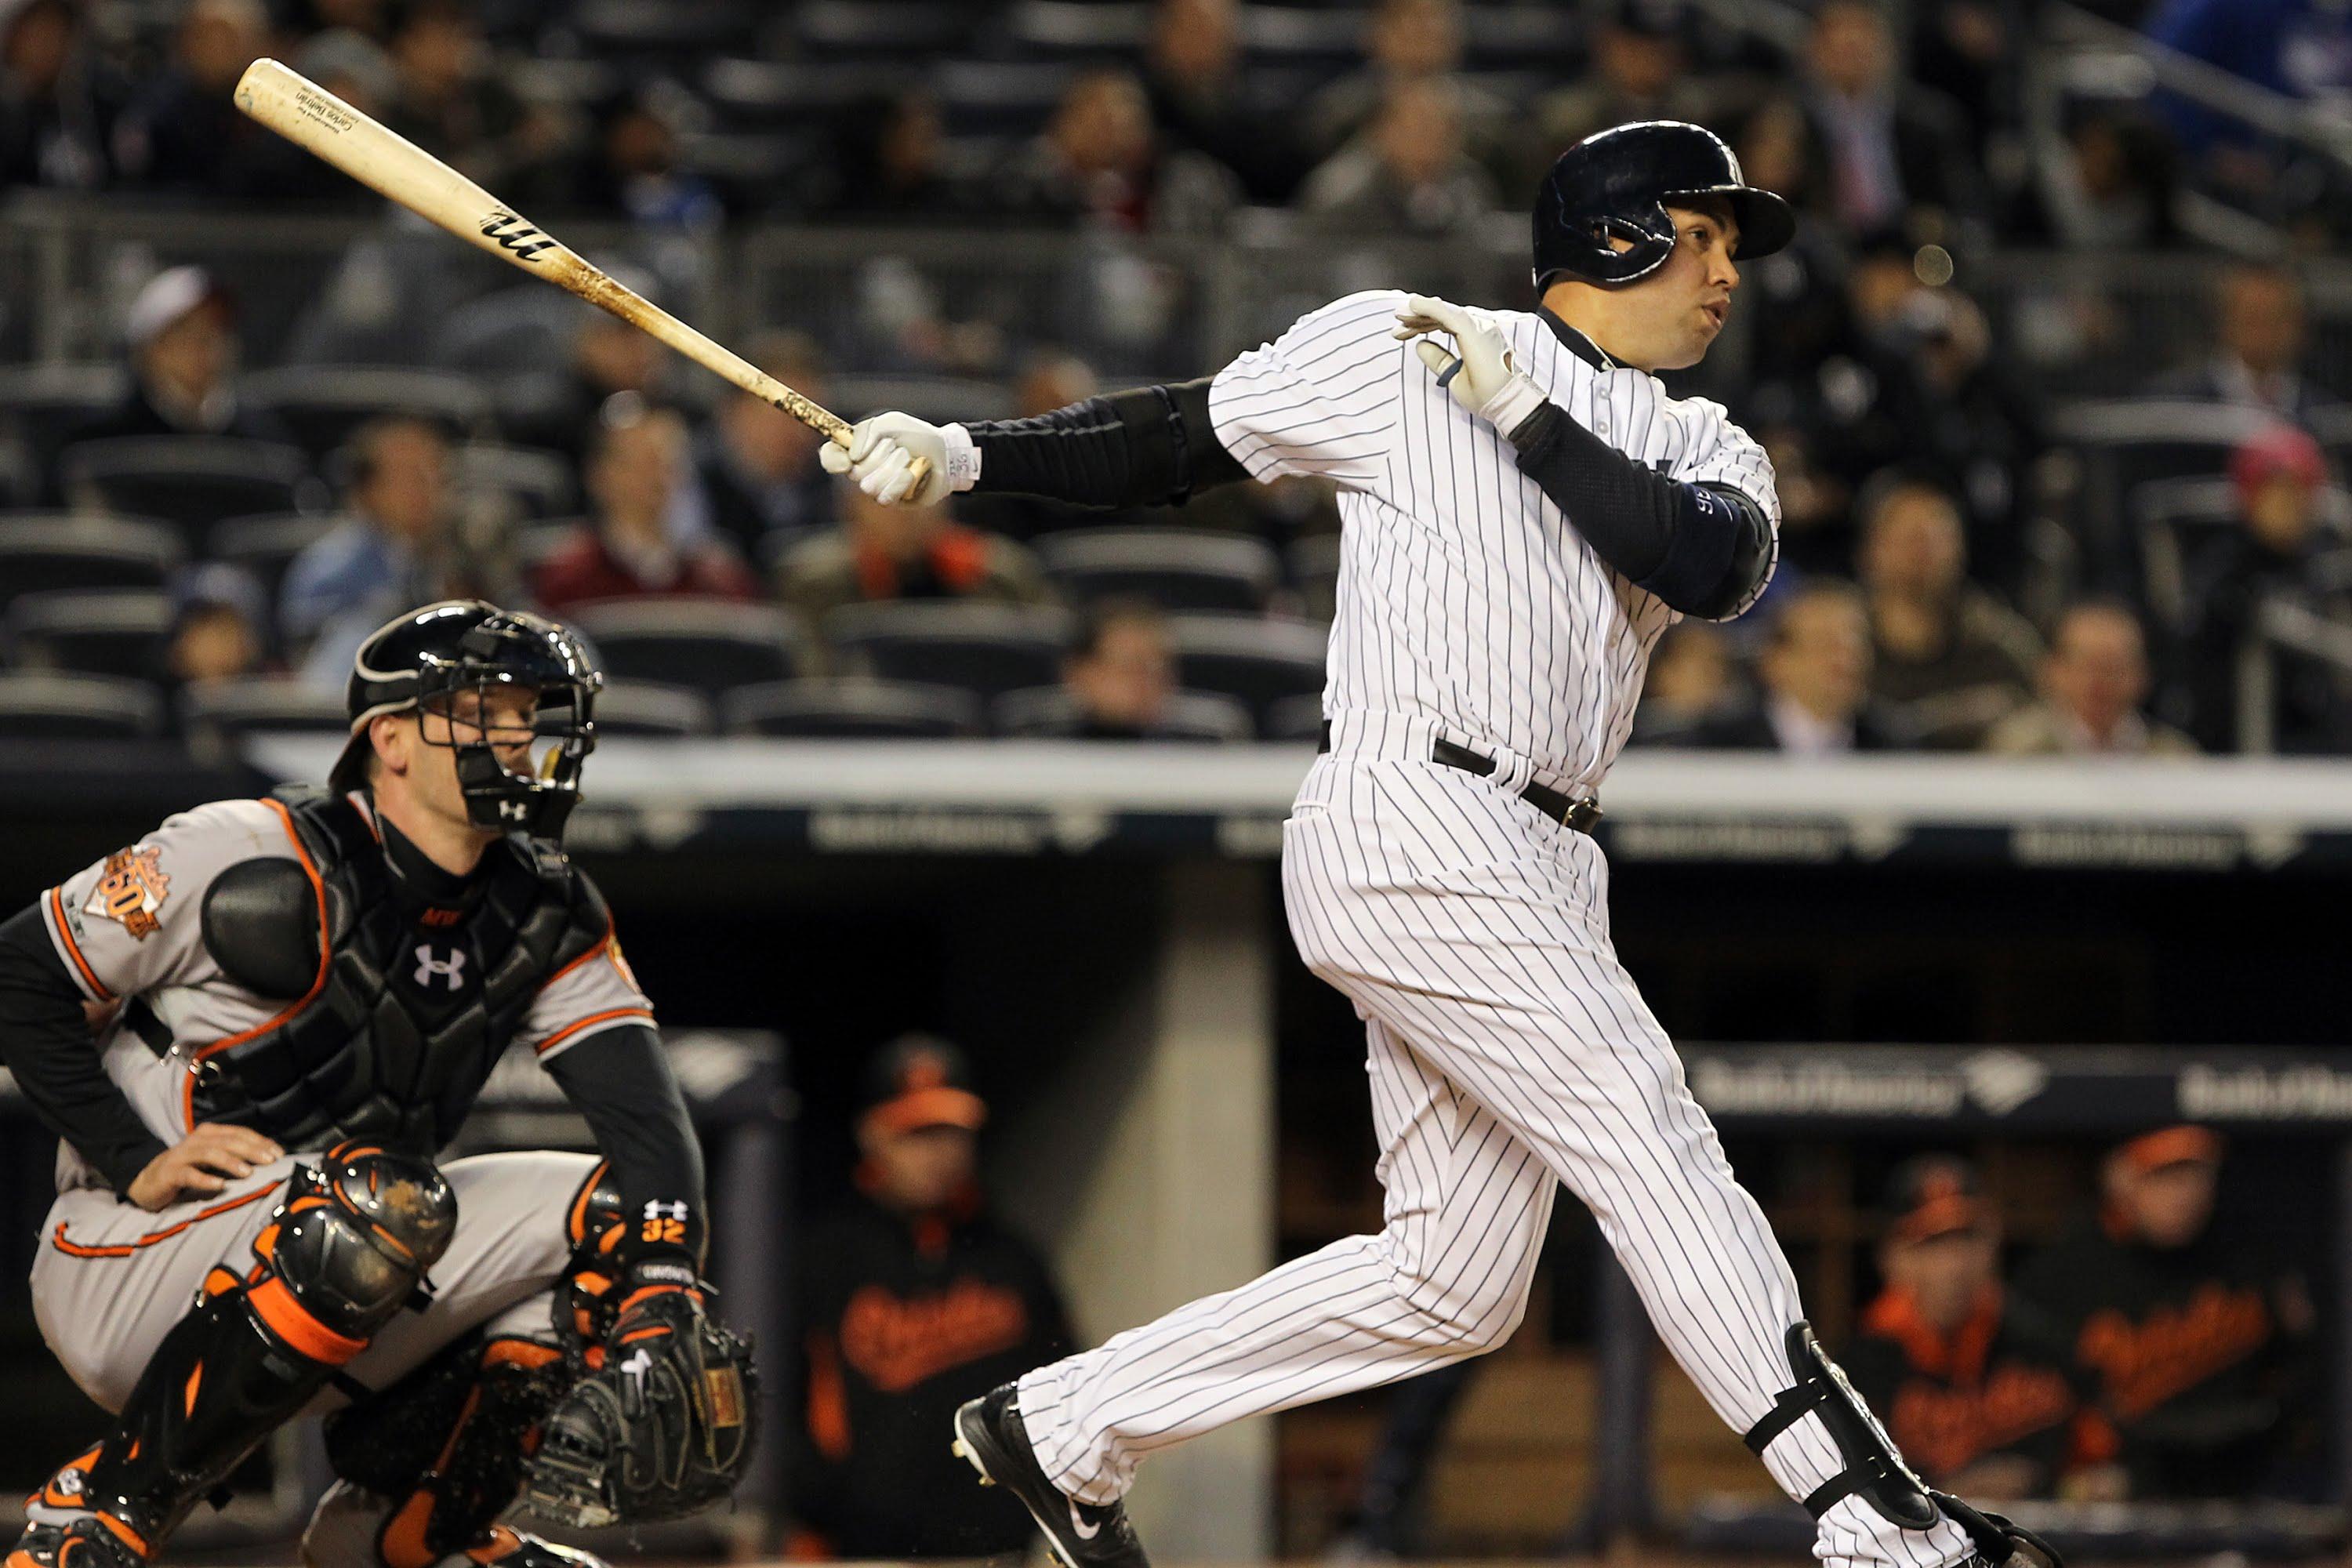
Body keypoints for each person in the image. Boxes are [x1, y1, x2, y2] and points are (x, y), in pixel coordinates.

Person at [815, 120, 2056, 1568]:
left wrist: (1528, 418)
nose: (1728, 273)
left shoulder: (1711, 440)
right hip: (1417, 808)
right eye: (1705, 234)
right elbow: (1177, 435)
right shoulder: (1405, 347)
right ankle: (1868, 1518)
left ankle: (1070, 1422)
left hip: (1546, 853)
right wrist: (965, 454)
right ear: (1617, 235)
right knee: (1646, 1132)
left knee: (1455, 1282)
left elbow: (1706, 564)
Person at [0, 601, 751, 1568]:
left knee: (621, 1219)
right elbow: (22, 967)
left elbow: (647, 1123)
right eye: (485, 710)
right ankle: (103, 1508)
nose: (518, 738)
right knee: (381, 1199)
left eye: (528, 713)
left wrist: (663, 1292)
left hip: (350, 1270)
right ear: (390, 738)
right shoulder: (245, 843)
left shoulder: (545, 906)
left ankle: (397, 1534)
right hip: (129, 1254)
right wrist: (133, 1156)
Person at [793, 1037, 1073, 1559]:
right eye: (916, 1134)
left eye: (951, 1132)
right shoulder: (827, 1258)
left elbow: (1068, 1389)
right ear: (872, 1134)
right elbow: (783, 1402)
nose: (938, 1152)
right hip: (865, 1552)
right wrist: (819, 1509)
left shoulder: (1012, 1259)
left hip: (999, 1550)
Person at [2016, 1128, 2314, 1501]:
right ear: (2119, 1181)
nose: (2186, 1194)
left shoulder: (2248, 1257)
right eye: (2165, 1176)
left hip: (2241, 1482)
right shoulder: (2063, 1274)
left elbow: (2298, 1372)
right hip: (2117, 1488)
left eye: (2198, 1175)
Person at [1840, 1158, 2082, 1501]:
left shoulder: (2041, 1344)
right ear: (1893, 1259)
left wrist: (2048, 1483)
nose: (1954, 1264)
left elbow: (2095, 1470)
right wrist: (1945, 1491)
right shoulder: (1859, 1366)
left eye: (1967, 1238)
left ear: (1992, 1245)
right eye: (1932, 1244)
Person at [2180, 424, 2351, 753]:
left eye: (2298, 493)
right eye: (2275, 494)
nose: (2288, 508)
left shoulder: (2328, 569)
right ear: (2248, 497)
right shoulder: (2222, 574)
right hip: (2241, 741)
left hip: (2321, 742)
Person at [1856, 477, 2041, 748]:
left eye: (1936, 540)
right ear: (1872, 549)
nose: (1921, 554)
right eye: (1910, 539)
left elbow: (2039, 711)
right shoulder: (1837, 638)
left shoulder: (1996, 642)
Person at [530, 400, 758, 615]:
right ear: (599, 476)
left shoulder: (718, 579)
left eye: (669, 464)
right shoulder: (568, 579)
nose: (658, 478)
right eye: (642, 464)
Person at [280, 415, 460, 670]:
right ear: (369, 489)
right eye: (411, 476)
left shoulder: (462, 557)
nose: (427, 489)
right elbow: (318, 666)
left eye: (435, 473)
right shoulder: (328, 569)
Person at [1799, 0, 1987, 245]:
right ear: (1813, 51)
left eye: (1862, 35)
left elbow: (1966, 209)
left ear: (1886, 48)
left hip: (1911, 251)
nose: (1851, 44)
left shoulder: (1929, 122)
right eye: (1838, 40)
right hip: (1828, 252)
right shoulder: (1791, 125)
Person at [67, 267, 290, 457]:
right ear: (151, 348)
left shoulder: (260, 435)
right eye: (190, 334)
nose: (208, 348)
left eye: (217, 332)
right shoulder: (105, 435)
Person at [777, 479, 1051, 626]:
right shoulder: (813, 585)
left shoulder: (1002, 576)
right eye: (885, 498)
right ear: (851, 507)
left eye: (920, 494)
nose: (906, 513)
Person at [1690, 580, 1907, 752]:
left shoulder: (1890, 745)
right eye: (1826, 645)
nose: (1846, 661)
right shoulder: (1720, 745)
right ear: (1776, 661)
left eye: (1855, 645)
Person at [690, 332, 838, 558]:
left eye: (815, 421)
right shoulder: (690, 485)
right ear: (737, 410)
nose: (802, 433)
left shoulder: (825, 488)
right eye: (788, 416)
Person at [1297, 77, 1501, 240]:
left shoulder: (1471, 189)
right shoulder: (1342, 194)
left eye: (1443, 128)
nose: (1431, 138)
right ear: (1383, 131)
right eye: (1418, 128)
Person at [1983, 601, 2197, 757]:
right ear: (2053, 670)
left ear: (2142, 674)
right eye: (2087, 665)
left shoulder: (2174, 760)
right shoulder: (2015, 752)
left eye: (2113, 667)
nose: (2099, 682)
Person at [2147, 262, 2340, 426]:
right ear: (2224, 322)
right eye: (2252, 318)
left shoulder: (2326, 416)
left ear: (2299, 327)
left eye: (2275, 319)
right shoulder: (2173, 404)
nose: (2263, 332)